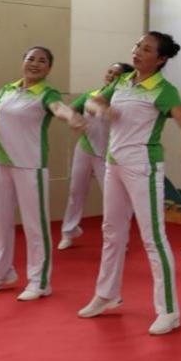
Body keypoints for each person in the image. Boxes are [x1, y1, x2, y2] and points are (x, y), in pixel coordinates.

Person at [77, 31, 181, 335]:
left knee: (153, 238)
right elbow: (93, 100)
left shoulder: (163, 89)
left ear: (161, 59)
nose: (137, 52)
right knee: (112, 231)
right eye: (137, 46)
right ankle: (107, 294)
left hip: (142, 166)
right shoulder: (121, 81)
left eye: (146, 49)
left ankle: (169, 311)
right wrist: (100, 108)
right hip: (114, 163)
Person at [0, 46, 86, 300]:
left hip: (31, 166)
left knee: (34, 226)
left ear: (49, 68)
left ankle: (39, 282)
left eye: (42, 61)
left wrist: (71, 117)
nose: (35, 64)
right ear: (23, 62)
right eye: (31, 59)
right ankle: (0, 274)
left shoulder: (47, 93)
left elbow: (59, 108)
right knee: (0, 222)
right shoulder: (7, 89)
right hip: (2, 164)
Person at [58, 62, 133, 250]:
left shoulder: (124, 101)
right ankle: (69, 231)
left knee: (113, 199)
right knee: (76, 192)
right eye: (109, 71)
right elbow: (70, 110)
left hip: (109, 155)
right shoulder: (90, 95)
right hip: (85, 148)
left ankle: (119, 237)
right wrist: (73, 119)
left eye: (116, 74)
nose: (110, 75)